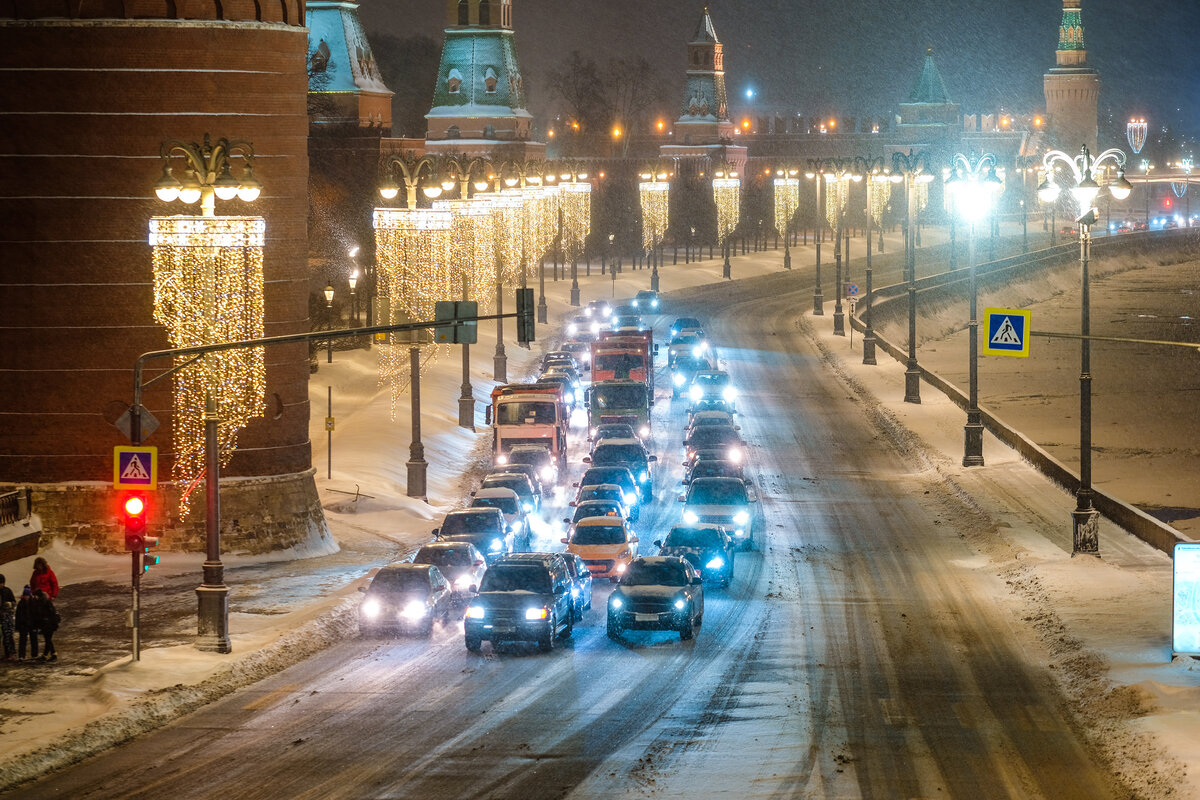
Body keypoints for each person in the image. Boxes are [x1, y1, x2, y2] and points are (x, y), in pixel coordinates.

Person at [32, 589, 58, 662]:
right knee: (48, 639)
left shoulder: (44, 603)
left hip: (49, 624)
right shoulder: (42, 602)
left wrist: (47, 620)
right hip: (47, 624)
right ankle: (53, 654)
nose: (34, 597)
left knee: (48, 639)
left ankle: (46, 655)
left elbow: (50, 614)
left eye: (35, 596)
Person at [15, 586, 38, 661]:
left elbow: (36, 614)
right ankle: (22, 655)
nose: (26, 597)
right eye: (25, 595)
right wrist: (17, 626)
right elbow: (18, 615)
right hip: (23, 624)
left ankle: (34, 655)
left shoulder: (33, 603)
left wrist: (36, 624)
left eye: (27, 595)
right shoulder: (21, 604)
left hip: (32, 624)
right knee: (23, 640)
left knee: (33, 639)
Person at [0, 574, 15, 660]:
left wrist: (9, 605)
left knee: (8, 635)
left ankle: (10, 653)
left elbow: (13, 602)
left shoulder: (7, 591)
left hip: (6, 616)